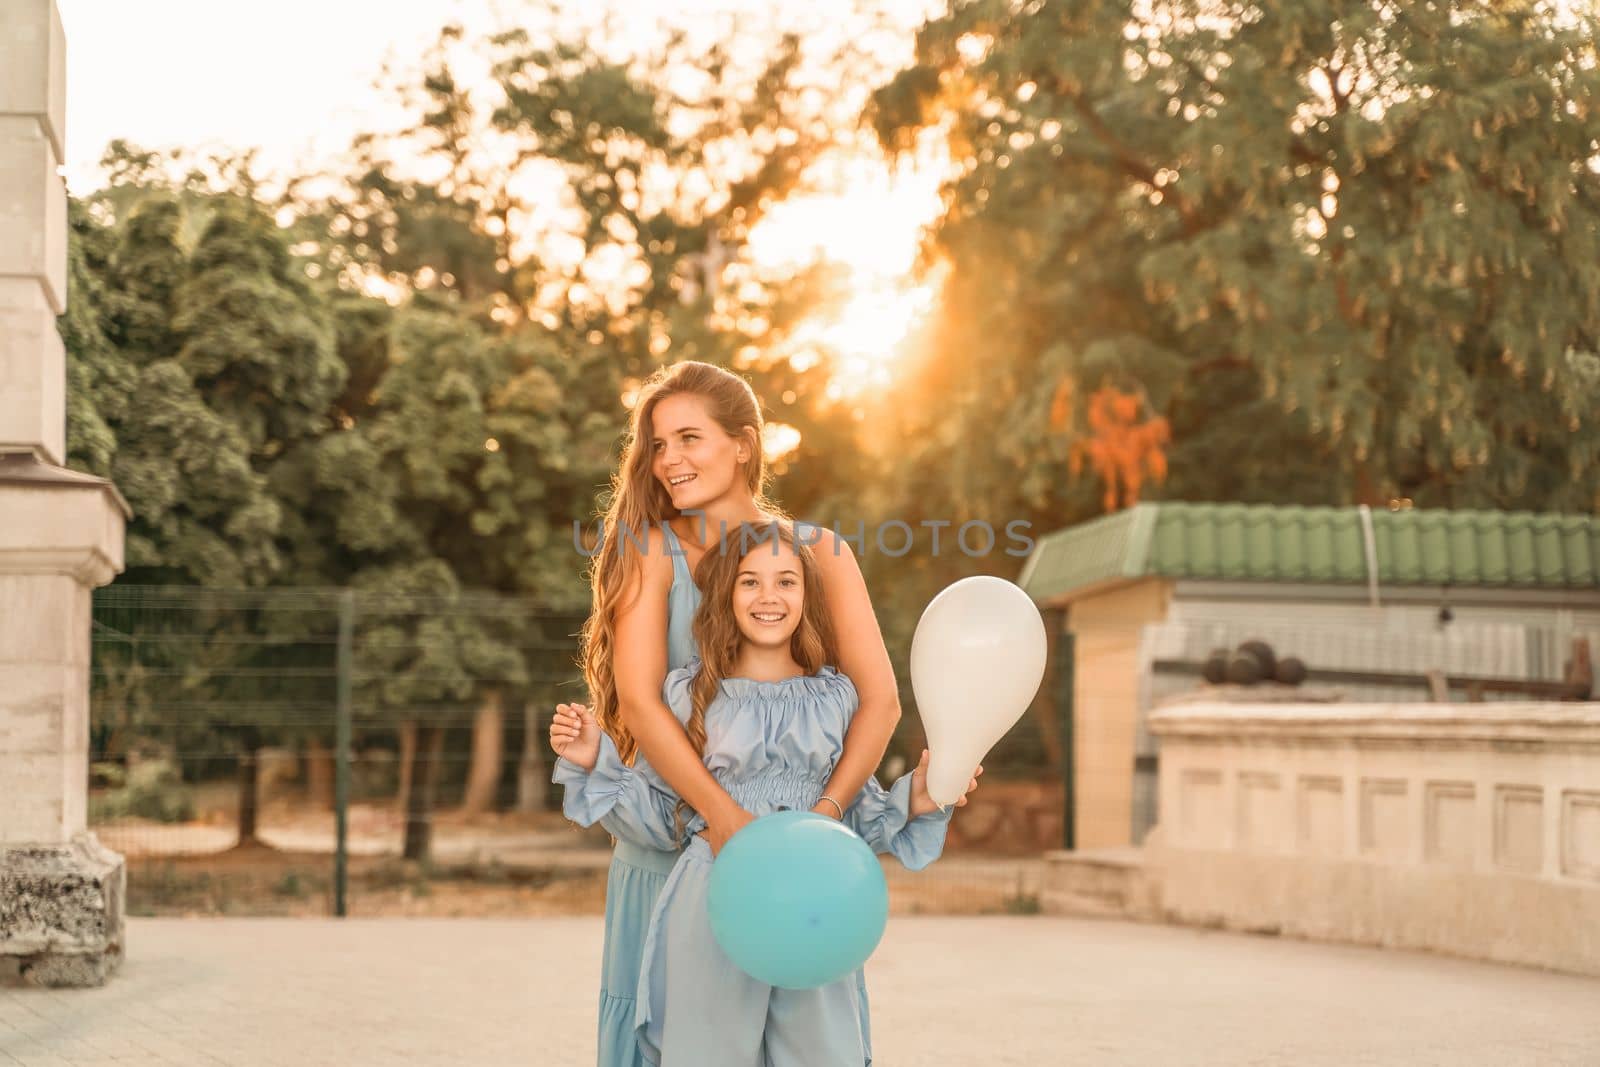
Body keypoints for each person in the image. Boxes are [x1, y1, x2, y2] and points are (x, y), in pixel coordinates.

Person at [553, 361, 906, 1065]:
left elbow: (880, 701)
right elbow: (641, 704)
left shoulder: (819, 553)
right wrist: (722, 818)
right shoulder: (647, 549)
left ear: (743, 443)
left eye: (690, 437)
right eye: (658, 444)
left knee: (807, 1040)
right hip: (673, 847)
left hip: (793, 863)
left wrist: (825, 820)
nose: (670, 460)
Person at [553, 520, 978, 1065]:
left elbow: (856, 817)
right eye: (750, 582)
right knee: (711, 1051)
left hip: (815, 903)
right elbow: (664, 816)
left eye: (786, 581)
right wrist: (595, 760)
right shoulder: (689, 694)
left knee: (820, 1050)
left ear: (806, 595)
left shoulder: (835, 697)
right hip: (715, 899)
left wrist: (919, 796)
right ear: (726, 594)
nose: (769, 596)